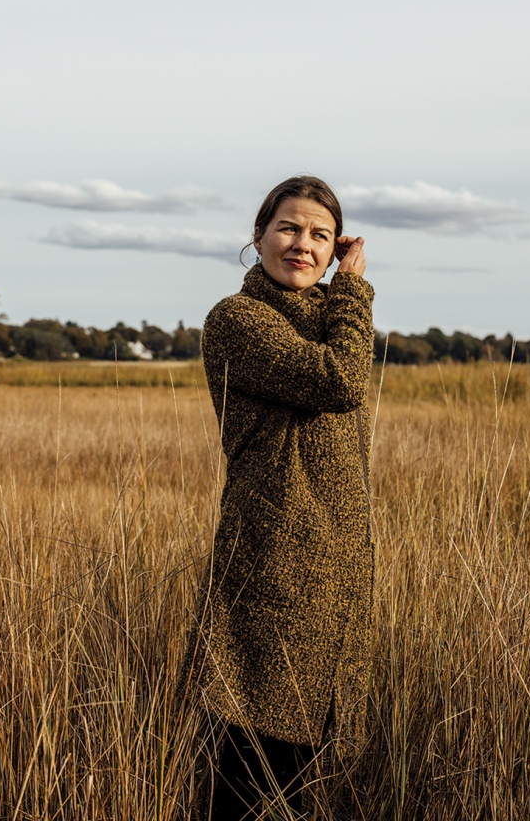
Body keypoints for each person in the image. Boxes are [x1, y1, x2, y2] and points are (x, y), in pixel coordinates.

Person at [183, 175, 376, 818]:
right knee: (246, 769)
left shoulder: (330, 321)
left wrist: (342, 301)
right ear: (258, 237)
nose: (304, 244)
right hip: (269, 567)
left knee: (301, 783)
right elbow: (341, 381)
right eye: (289, 227)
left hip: (333, 575)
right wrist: (352, 286)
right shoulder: (238, 319)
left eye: (321, 235)